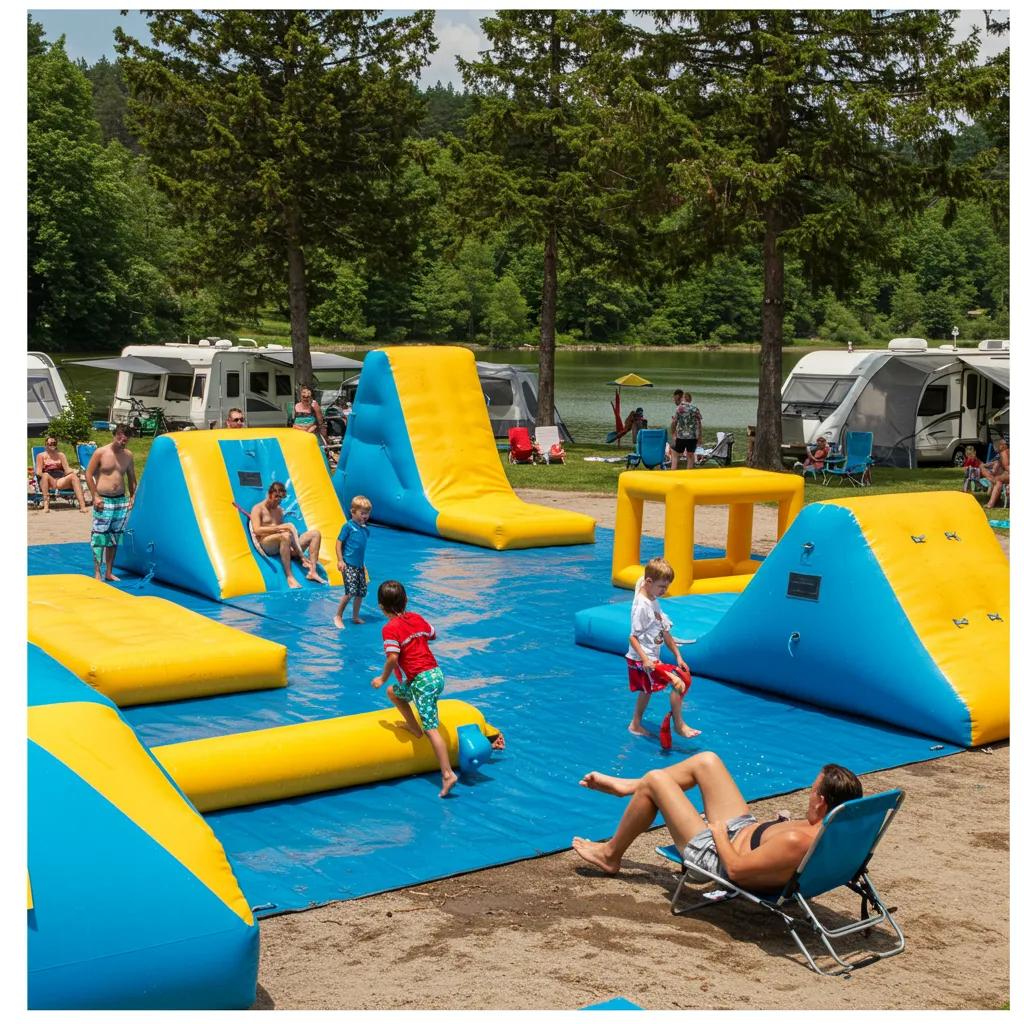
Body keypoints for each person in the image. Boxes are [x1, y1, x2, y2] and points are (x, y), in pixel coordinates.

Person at [572, 751, 862, 890]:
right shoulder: (837, 832)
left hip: (715, 856)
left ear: (822, 801)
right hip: (743, 830)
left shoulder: (798, 841)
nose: (809, 795)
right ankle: (629, 787)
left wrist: (718, 833)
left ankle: (610, 854)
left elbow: (735, 870)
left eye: (812, 791)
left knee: (657, 780)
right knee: (707, 761)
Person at [371, 580, 459, 798]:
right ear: (406, 600)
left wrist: (382, 678)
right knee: (394, 693)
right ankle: (414, 728)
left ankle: (447, 774)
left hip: (422, 681)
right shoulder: (417, 618)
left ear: (381, 607)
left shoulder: (389, 628)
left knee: (432, 729)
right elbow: (432, 634)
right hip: (435, 675)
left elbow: (393, 657)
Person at [626, 557, 700, 740]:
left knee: (647, 690)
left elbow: (665, 632)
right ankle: (679, 725)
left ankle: (635, 724)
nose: (664, 591)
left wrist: (678, 656)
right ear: (649, 582)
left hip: (649, 657)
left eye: (666, 587)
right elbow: (632, 637)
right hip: (642, 659)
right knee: (679, 683)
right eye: (662, 587)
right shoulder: (641, 607)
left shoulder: (650, 594)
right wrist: (645, 660)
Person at [84, 424, 137, 582]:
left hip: (120, 501)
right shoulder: (101, 452)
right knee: (99, 537)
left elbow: (132, 478)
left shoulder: (128, 455)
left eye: (125, 439)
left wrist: (133, 497)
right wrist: (95, 495)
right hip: (104, 500)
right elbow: (88, 473)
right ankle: (97, 572)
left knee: (114, 538)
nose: (122, 441)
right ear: (115, 435)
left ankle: (109, 571)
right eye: (120, 437)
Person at [249, 481, 324, 589]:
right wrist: (280, 528)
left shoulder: (279, 510)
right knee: (285, 535)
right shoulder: (257, 509)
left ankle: (312, 571)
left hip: (284, 544)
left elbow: (285, 532)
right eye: (276, 497)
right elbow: (257, 530)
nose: (278, 501)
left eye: (280, 499)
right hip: (267, 543)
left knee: (315, 534)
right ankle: (290, 577)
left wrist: (291, 535)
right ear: (269, 494)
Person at [334, 495, 371, 628]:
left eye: (367, 513)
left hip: (359, 566)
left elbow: (360, 550)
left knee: (360, 592)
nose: (365, 516)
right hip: (348, 564)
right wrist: (340, 560)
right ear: (353, 512)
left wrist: (363, 565)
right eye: (362, 513)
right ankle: (338, 616)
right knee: (350, 592)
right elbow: (339, 543)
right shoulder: (348, 527)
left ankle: (355, 616)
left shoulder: (365, 530)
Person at [34, 436, 87, 513]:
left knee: (73, 476)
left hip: (60, 480)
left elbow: (67, 469)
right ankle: (46, 504)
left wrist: (76, 471)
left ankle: (82, 506)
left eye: (54, 443)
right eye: (50, 443)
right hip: (48, 481)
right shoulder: (41, 456)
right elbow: (38, 472)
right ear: (46, 444)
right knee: (45, 475)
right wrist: (44, 478)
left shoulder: (61, 455)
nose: (52, 445)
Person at [670, 391, 703, 470]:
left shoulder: (679, 408)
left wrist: (673, 433)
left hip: (681, 436)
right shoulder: (695, 409)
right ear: (690, 400)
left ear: (682, 399)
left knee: (675, 454)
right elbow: (699, 424)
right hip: (692, 437)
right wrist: (700, 437)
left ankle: (673, 473)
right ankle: (688, 475)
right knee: (690, 456)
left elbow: (674, 422)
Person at [980, 439, 1009, 508]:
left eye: (999, 445)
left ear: (1003, 446)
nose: (997, 447)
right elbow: (997, 462)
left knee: (998, 480)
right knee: (997, 479)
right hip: (998, 472)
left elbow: (1007, 466)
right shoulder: (1006, 452)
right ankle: (994, 501)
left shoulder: (1004, 453)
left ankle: (991, 503)